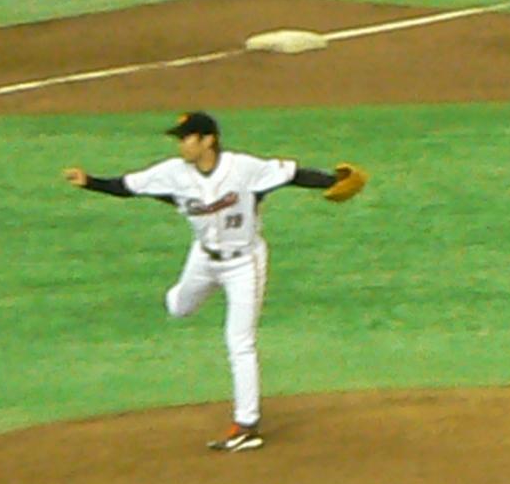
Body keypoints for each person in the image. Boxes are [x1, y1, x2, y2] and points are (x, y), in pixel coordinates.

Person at [63, 112, 367, 452]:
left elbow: (291, 175)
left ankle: (246, 424)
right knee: (178, 308)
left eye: (186, 138)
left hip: (244, 263)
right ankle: (183, 299)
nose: (181, 144)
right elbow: (128, 187)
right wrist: (89, 182)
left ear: (208, 140)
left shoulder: (243, 168)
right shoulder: (172, 173)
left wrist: (331, 181)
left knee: (240, 341)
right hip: (203, 258)